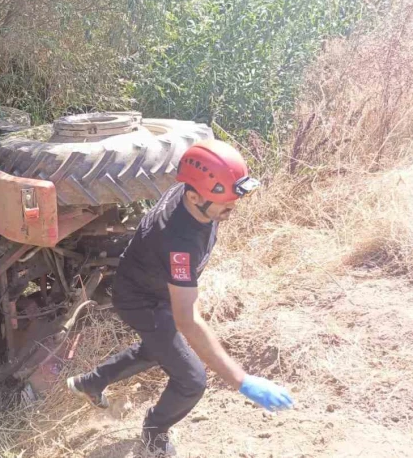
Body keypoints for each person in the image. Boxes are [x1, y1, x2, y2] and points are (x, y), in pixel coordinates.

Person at [66, 139, 294, 456]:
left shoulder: (191, 195)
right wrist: (242, 381)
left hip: (152, 287)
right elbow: (188, 319)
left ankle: (91, 382)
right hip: (142, 302)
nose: (233, 208)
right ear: (194, 197)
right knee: (192, 379)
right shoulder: (180, 241)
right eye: (224, 203)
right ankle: (154, 431)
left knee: (158, 349)